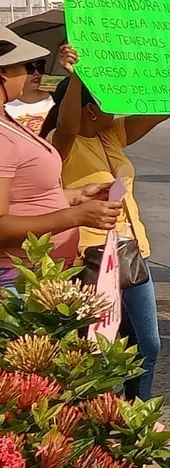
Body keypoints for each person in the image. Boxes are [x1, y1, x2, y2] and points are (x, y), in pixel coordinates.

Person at [44, 45, 168, 400]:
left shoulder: (110, 134)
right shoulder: (59, 144)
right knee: (94, 348)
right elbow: (67, 125)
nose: (117, 106)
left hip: (130, 252)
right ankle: (93, 415)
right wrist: (76, 77)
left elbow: (161, 109)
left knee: (147, 345)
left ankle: (136, 414)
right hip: (89, 258)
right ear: (90, 109)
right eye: (108, 99)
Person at [0, 28, 121, 291]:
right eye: (26, 66)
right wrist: (74, 216)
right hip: (17, 279)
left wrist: (75, 196)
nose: (32, 74)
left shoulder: (7, 122)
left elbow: (24, 199)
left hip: (42, 272)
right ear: (4, 72)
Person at [4, 56, 53, 136]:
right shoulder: (5, 106)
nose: (36, 73)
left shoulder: (56, 100)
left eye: (40, 68)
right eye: (29, 69)